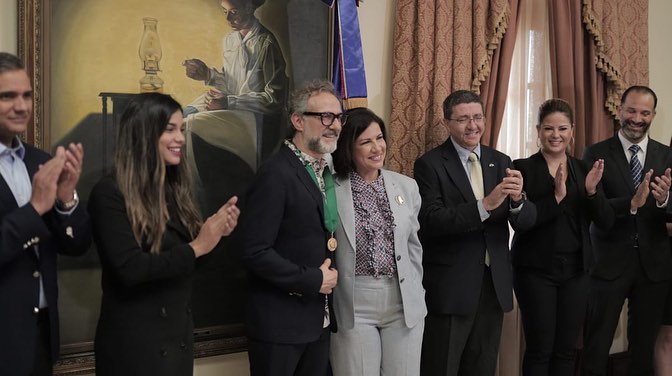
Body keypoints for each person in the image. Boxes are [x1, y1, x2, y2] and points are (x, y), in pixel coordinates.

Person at [88, 93, 240, 375]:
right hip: (135, 348)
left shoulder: (174, 191)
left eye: (182, 129)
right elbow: (130, 269)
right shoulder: (109, 193)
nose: (180, 138)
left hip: (176, 341)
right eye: (170, 129)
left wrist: (217, 236)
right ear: (144, 133)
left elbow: (190, 263)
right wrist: (198, 245)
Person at [414, 89, 535, 375]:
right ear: (446, 123)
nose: (473, 126)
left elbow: (526, 222)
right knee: (442, 365)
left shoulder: (501, 160)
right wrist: (484, 205)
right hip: (452, 286)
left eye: (478, 117)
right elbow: (431, 221)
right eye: (463, 119)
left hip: (494, 285)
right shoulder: (429, 164)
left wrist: (518, 202)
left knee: (482, 365)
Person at [239, 79, 343, 376]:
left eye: (338, 117)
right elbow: (254, 251)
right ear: (298, 120)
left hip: (317, 320)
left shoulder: (322, 170)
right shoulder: (275, 173)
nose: (333, 125)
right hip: (280, 327)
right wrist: (311, 280)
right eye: (324, 116)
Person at [0, 52, 91, 376]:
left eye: (26, 95)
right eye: (7, 96)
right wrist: (36, 208)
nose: (22, 106)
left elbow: (76, 246)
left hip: (40, 337)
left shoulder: (39, 161)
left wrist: (66, 200)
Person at [510, 99, 610, 375]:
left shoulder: (583, 169)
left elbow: (605, 221)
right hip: (535, 271)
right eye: (548, 128)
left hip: (577, 272)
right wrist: (556, 196)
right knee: (540, 349)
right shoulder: (522, 168)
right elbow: (522, 221)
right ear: (538, 131)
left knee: (567, 351)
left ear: (572, 131)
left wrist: (591, 192)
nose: (556, 135)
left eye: (562, 128)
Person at [582, 85, 672, 375]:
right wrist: (631, 204)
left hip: (654, 266)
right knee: (597, 344)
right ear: (619, 109)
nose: (637, 118)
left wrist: (664, 200)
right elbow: (595, 211)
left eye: (644, 112)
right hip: (608, 262)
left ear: (653, 115)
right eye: (631, 110)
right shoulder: (595, 154)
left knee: (643, 349)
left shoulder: (667, 155)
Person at [329, 107, 426, 376]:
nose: (377, 147)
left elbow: (413, 247)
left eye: (380, 138)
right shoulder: (331, 190)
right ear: (349, 147)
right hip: (355, 302)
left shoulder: (407, 186)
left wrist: (416, 288)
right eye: (366, 142)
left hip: (403, 302)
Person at [183, 0, 288, 163]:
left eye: (234, 12)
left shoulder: (266, 44)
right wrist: (207, 74)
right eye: (225, 12)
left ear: (249, 8)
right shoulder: (230, 40)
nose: (228, 19)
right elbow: (231, 83)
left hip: (255, 121)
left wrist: (229, 102)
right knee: (180, 116)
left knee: (189, 126)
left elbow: (274, 99)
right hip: (231, 110)